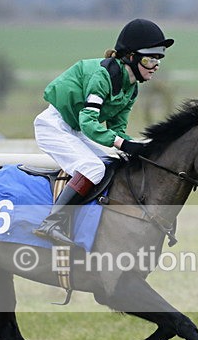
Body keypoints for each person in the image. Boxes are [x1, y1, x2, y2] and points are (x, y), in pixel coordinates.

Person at [32, 18, 174, 246]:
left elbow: (117, 130)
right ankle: (51, 222)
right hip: (54, 126)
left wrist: (135, 147)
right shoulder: (102, 77)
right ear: (131, 57)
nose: (155, 65)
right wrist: (122, 144)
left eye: (159, 59)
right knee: (93, 168)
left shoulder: (131, 88)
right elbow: (89, 123)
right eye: (150, 58)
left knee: (109, 163)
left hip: (74, 129)